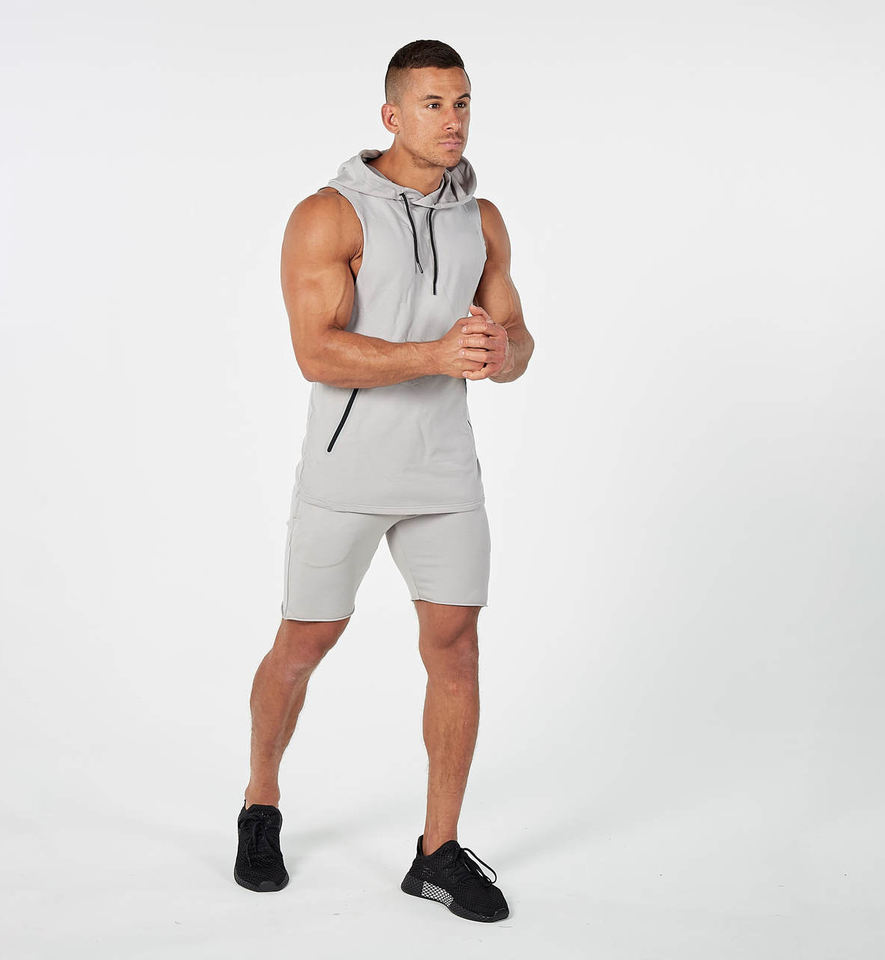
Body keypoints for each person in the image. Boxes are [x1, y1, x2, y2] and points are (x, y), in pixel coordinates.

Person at [234, 39, 534, 924]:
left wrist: (501, 351)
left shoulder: (481, 218)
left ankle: (437, 853)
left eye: (463, 103)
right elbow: (315, 351)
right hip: (349, 469)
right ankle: (260, 803)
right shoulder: (328, 214)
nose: (453, 120)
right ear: (391, 115)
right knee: (304, 645)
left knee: (457, 648)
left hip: (444, 470)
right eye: (434, 104)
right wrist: (435, 354)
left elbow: (518, 341)